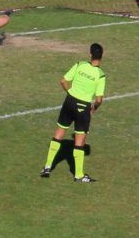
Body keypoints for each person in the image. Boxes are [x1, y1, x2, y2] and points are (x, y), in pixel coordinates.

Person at [40, 43, 106, 183]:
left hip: (69, 101)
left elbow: (63, 81)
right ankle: (79, 175)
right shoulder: (100, 75)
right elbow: (99, 99)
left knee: (59, 132)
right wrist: (94, 107)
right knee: (80, 141)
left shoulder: (79, 64)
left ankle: (47, 167)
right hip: (83, 107)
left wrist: (70, 93)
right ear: (102, 56)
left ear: (90, 54)